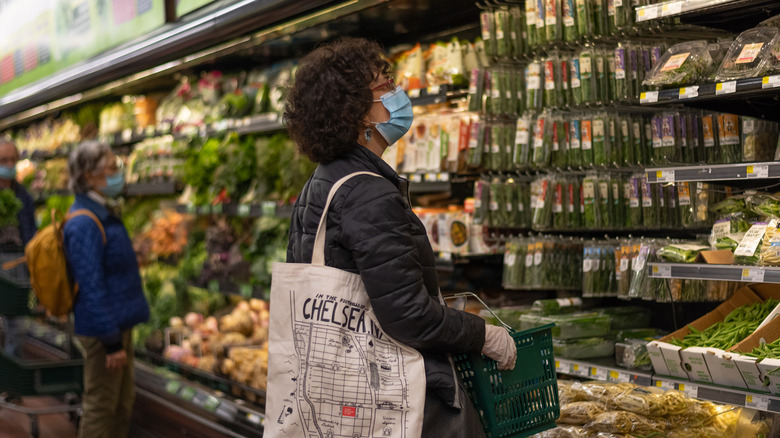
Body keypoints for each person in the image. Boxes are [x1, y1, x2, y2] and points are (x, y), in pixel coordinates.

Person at [284, 37, 517, 437]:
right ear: (359, 113)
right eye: (385, 85)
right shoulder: (367, 191)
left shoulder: (323, 181)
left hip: (336, 393)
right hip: (392, 399)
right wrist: (483, 335)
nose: (398, 91)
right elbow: (407, 315)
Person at [64, 142, 149, 438]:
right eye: (112, 168)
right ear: (89, 176)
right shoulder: (84, 222)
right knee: (102, 407)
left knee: (121, 404)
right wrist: (112, 341)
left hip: (117, 324)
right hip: (104, 333)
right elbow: (91, 285)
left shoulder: (99, 211)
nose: (118, 174)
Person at [0, 140, 36, 245]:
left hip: (21, 256)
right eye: (4, 160)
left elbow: (30, 228)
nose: (10, 164)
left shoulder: (23, 194)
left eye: (13, 159)